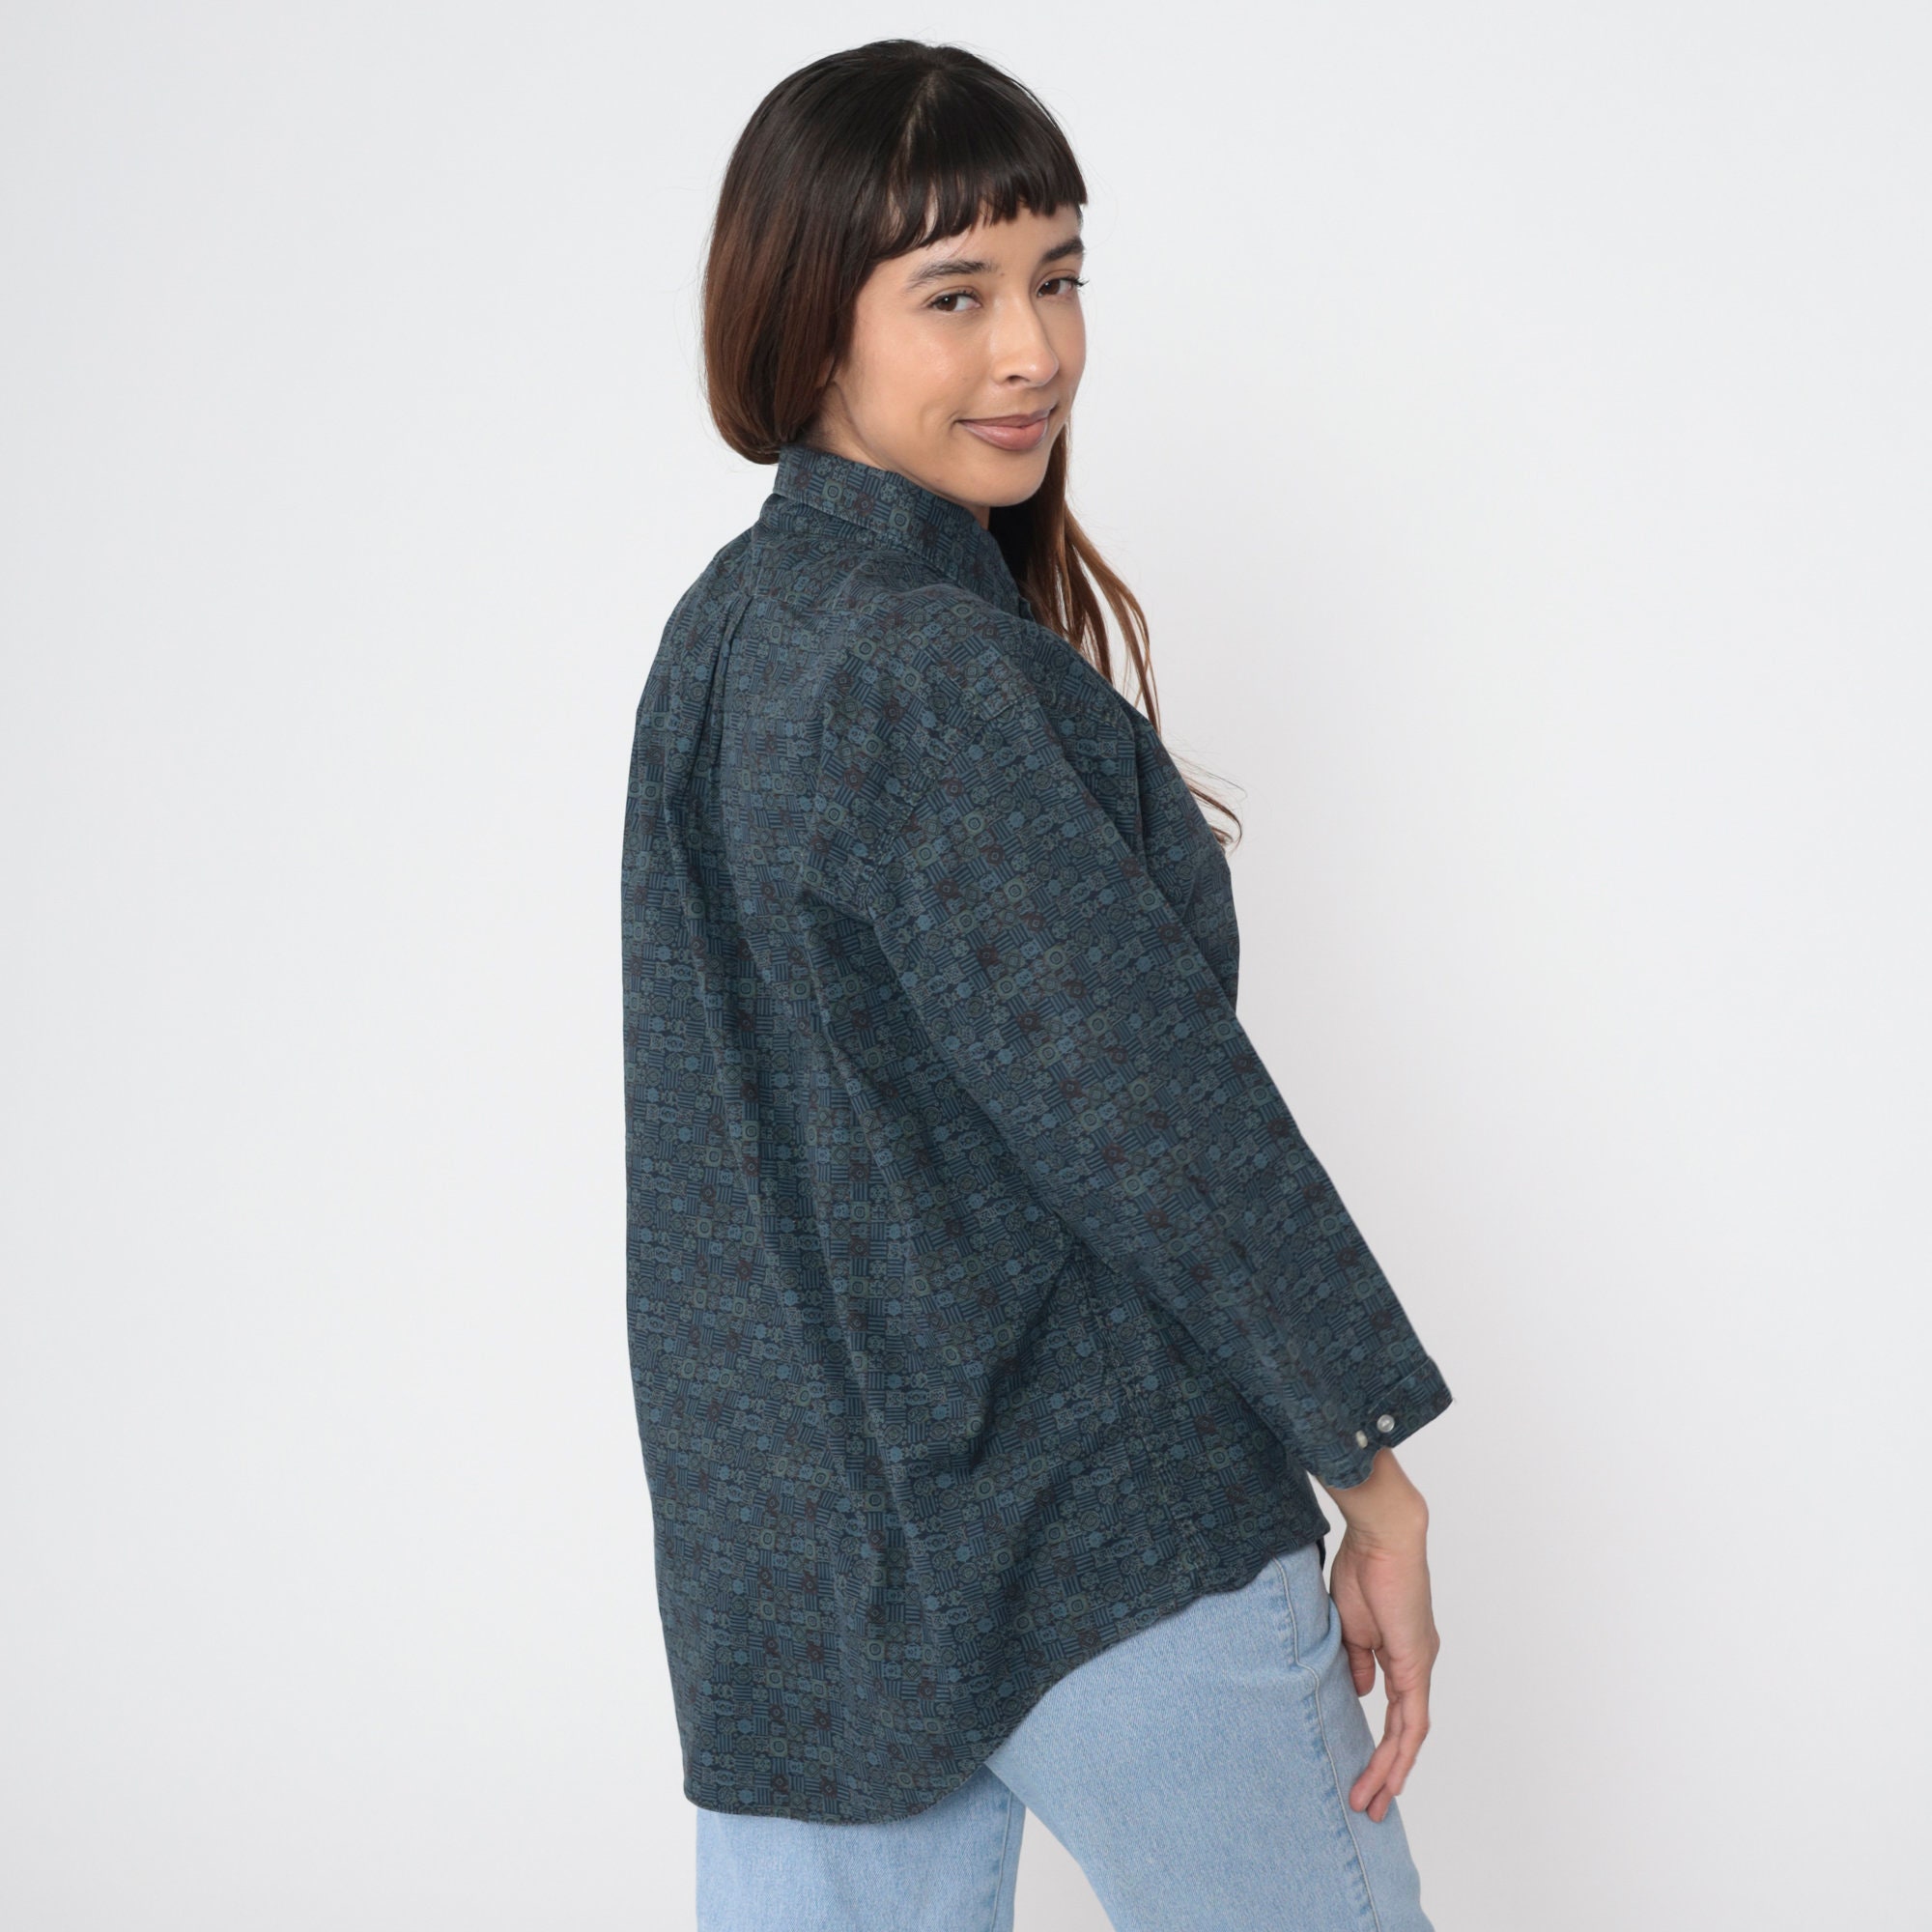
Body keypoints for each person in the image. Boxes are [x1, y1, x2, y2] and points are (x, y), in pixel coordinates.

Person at [621, 39, 1455, 1932]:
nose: (1032, 351)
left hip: (803, 1580)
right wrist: (1369, 1469)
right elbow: (1149, 1107)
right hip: (1096, 1525)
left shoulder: (722, 640)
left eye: (1058, 277)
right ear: (807, 320)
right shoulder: (921, 666)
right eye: (956, 295)